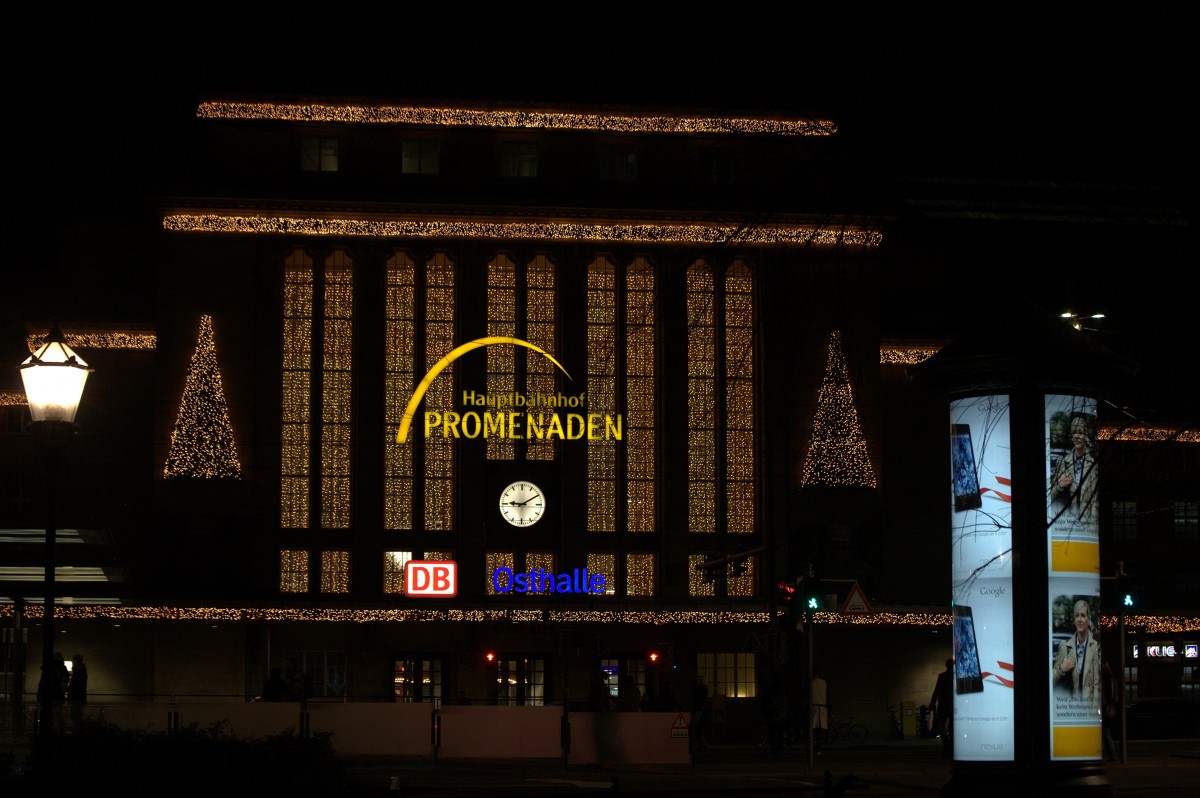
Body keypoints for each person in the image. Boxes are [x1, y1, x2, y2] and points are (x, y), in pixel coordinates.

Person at [1051, 416, 1098, 525]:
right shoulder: (1062, 462)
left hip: (1086, 526)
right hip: (1064, 523)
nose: (1076, 436)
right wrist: (1059, 485)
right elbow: (1050, 497)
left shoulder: (1093, 464)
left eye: (1080, 432)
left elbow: (1095, 501)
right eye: (1074, 433)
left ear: (1086, 435)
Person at [1053, 599, 1101, 704]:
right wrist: (1062, 669)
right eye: (1077, 615)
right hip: (1067, 708)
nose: (1079, 619)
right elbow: (1051, 680)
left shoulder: (1094, 648)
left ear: (1088, 619)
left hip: (1086, 710)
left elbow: (1096, 685)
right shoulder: (1065, 647)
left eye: (1083, 615)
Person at [929, 659, 953, 756]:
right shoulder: (957, 676)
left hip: (943, 705)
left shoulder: (942, 676)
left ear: (946, 666)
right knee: (953, 728)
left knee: (940, 725)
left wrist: (932, 704)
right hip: (954, 706)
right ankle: (951, 747)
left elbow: (937, 691)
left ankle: (947, 745)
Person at [762, 671, 789, 753]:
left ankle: (773, 747)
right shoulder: (782, 687)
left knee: (772, 732)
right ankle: (780, 747)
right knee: (780, 731)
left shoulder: (769, 687)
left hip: (771, 711)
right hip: (780, 711)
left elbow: (765, 700)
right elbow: (785, 700)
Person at [1101, 661, 1120, 762]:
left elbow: (1103, 697)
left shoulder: (1102, 681)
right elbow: (1116, 698)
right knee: (1106, 732)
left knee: (1105, 732)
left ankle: (1112, 755)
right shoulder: (1113, 681)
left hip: (1104, 709)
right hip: (1110, 709)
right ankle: (1112, 754)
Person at [67, 654, 89, 729]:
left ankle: (77, 729)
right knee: (77, 714)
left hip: (76, 697)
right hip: (79, 696)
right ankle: (78, 729)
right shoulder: (82, 670)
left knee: (74, 715)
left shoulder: (78, 671)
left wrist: (69, 691)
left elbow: (74, 684)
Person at [691, 675, 710, 750]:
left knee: (696, 727)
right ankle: (703, 745)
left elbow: (698, 701)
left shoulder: (699, 689)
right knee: (699, 729)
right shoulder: (705, 689)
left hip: (698, 710)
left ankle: (701, 744)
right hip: (701, 710)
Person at [811, 672, 828, 752]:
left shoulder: (811, 683)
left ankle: (815, 744)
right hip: (822, 707)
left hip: (813, 707)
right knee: (821, 728)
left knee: (813, 728)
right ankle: (818, 745)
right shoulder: (824, 683)